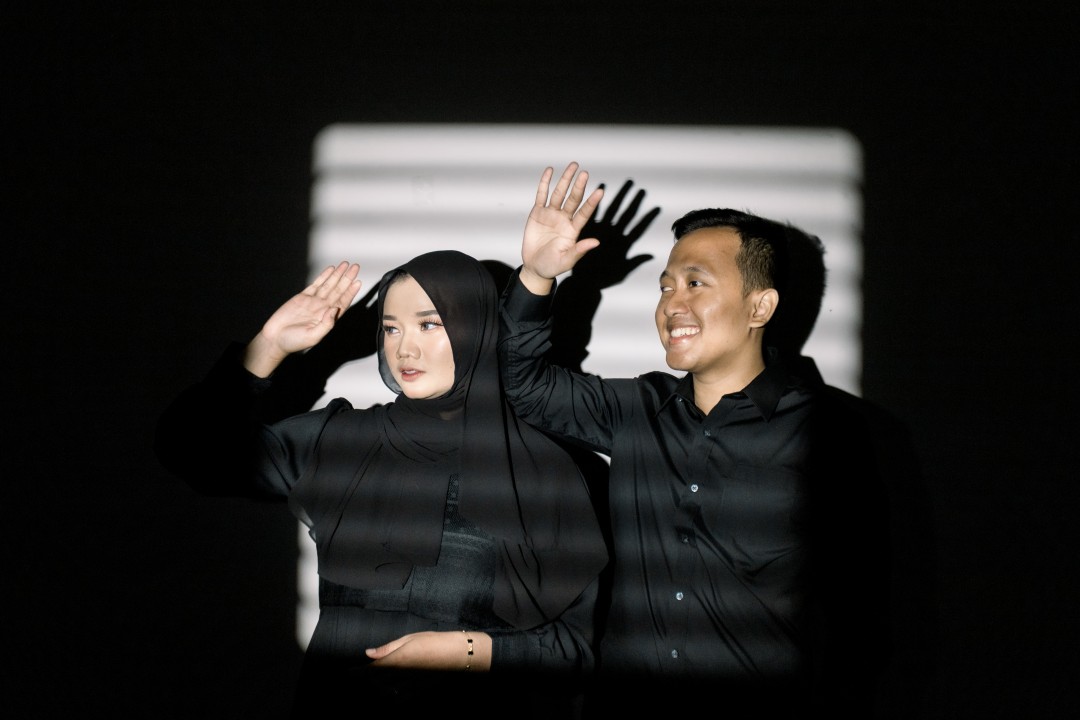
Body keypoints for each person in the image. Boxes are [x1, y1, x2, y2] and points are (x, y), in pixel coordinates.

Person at [497, 163, 893, 718]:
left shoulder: (826, 431)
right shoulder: (637, 408)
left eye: (695, 283)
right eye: (666, 287)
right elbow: (522, 387)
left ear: (760, 307)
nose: (671, 304)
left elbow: (864, 608)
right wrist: (538, 276)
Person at [154, 250, 609, 718]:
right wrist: (267, 347)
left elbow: (574, 652)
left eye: (429, 324)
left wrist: (467, 651)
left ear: (477, 329)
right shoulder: (340, 441)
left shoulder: (541, 469)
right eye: (391, 329)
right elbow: (188, 453)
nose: (404, 349)